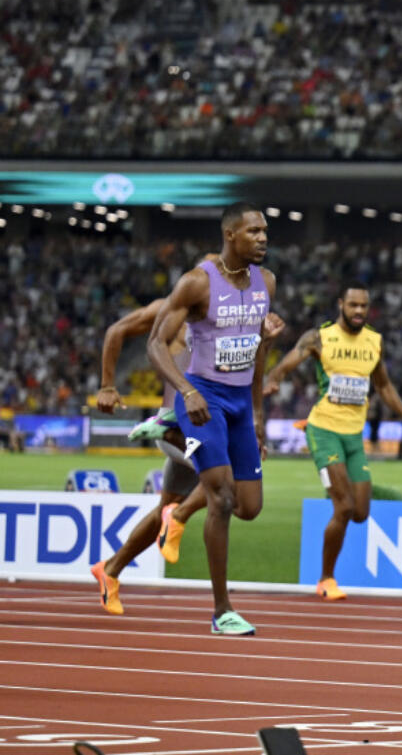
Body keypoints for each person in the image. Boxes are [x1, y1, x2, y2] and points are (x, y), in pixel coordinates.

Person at [89, 290, 284, 616]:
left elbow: (242, 371)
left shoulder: (237, 317)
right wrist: (108, 384)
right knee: (232, 476)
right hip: (178, 424)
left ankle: (110, 569)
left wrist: (264, 341)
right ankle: (178, 518)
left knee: (166, 509)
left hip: (211, 423)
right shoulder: (170, 308)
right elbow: (116, 330)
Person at [147, 202, 277, 635]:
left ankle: (176, 515)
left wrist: (258, 412)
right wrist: (186, 390)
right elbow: (155, 344)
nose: (262, 238)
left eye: (264, 231)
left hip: (241, 403)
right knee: (220, 499)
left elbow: (256, 350)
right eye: (253, 231)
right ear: (230, 236)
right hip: (204, 399)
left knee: (249, 507)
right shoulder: (197, 283)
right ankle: (223, 611)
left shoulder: (267, 283)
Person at [263, 281, 402, 601]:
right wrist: (274, 378)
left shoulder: (374, 343)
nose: (359, 311)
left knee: (360, 512)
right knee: (344, 507)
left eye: (364, 306)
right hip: (323, 430)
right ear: (341, 305)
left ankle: (339, 487)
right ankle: (326, 579)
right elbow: (289, 362)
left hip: (354, 435)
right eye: (353, 306)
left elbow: (385, 386)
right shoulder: (319, 337)